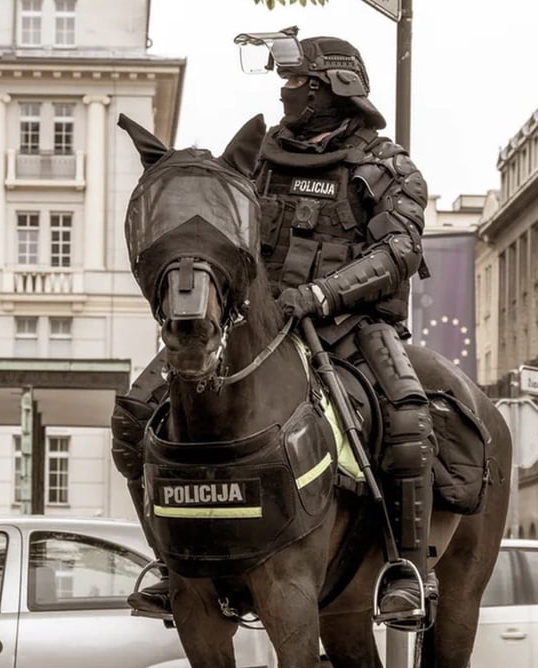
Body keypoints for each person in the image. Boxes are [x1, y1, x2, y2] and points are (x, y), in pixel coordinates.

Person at [112, 34, 435, 629]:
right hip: (254, 320)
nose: (284, 93)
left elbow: (400, 249)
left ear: (327, 90)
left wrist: (322, 293)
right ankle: (169, 564)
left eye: (294, 83)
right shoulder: (256, 162)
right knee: (136, 412)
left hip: (348, 323)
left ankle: (407, 572)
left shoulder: (384, 166)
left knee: (410, 420)